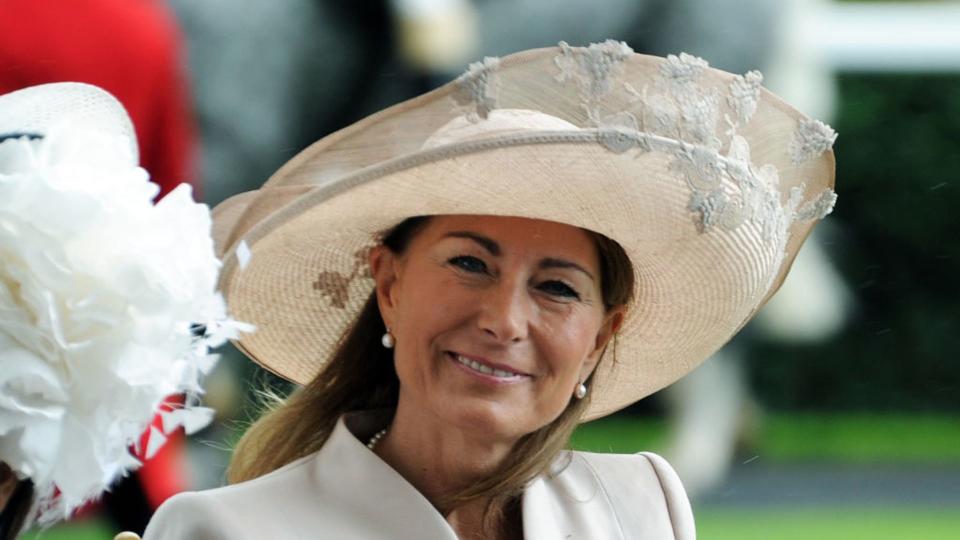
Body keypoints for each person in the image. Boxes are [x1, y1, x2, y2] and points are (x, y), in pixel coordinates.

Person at [143, 41, 837, 539]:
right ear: (387, 282)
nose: (505, 321)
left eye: (558, 287)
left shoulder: (644, 508)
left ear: (602, 336)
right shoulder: (217, 529)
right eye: (469, 264)